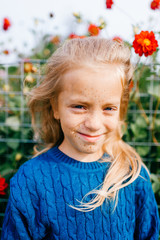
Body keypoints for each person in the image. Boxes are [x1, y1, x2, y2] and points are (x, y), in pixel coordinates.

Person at [1, 37, 159, 239]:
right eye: (79, 106)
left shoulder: (132, 177)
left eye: (108, 108)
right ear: (56, 107)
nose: (93, 123)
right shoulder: (31, 180)